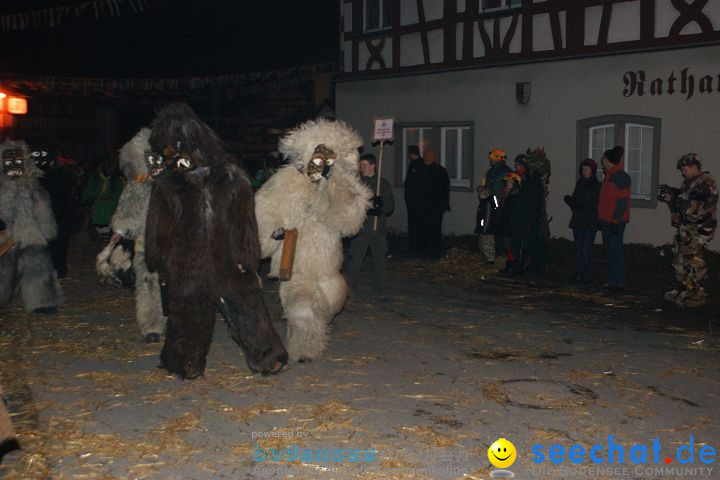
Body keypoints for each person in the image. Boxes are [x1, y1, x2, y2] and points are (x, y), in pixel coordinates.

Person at [660, 153, 717, 307]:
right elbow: (685, 198)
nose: (682, 172)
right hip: (687, 227)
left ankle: (698, 294)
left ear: (694, 167)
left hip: (699, 229)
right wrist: (672, 194)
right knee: (680, 258)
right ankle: (685, 289)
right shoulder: (691, 182)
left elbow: (694, 208)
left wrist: (673, 200)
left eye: (685, 169)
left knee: (693, 260)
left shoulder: (704, 184)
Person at [346, 153, 395, 299]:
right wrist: (367, 205)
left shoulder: (383, 184)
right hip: (361, 228)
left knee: (379, 261)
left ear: (373, 165)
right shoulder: (357, 184)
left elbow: (390, 206)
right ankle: (349, 288)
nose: (361, 168)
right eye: (360, 166)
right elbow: (350, 203)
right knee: (355, 260)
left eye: (364, 165)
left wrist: (381, 207)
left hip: (378, 229)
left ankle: (379, 290)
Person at [597, 146, 631, 292]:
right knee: (609, 251)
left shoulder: (620, 177)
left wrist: (616, 220)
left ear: (609, 160)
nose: (602, 160)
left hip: (614, 221)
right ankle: (612, 280)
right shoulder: (609, 176)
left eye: (604, 158)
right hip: (606, 220)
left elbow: (622, 201)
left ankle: (618, 282)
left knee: (615, 251)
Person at [564, 159, 601, 284]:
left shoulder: (595, 185)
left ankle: (588, 275)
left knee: (587, 249)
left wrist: (576, 203)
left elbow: (591, 203)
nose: (585, 171)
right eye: (583, 169)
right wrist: (572, 202)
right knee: (579, 249)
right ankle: (580, 274)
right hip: (578, 220)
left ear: (592, 171)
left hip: (589, 221)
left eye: (587, 169)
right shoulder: (580, 183)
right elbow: (577, 201)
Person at [409, 148, 450, 258]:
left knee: (434, 230)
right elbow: (413, 187)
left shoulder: (439, 171)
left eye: (429, 156)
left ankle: (433, 252)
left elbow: (444, 190)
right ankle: (423, 250)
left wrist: (441, 205)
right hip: (422, 206)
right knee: (422, 229)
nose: (426, 158)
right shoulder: (419, 169)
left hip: (434, 208)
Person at [476, 148, 512, 264]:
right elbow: (488, 186)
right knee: (488, 229)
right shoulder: (491, 172)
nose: (489, 160)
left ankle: (500, 255)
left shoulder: (505, 172)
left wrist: (494, 200)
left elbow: (503, 190)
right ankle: (490, 255)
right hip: (489, 204)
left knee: (495, 230)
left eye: (491, 158)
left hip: (498, 205)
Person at [83, 153, 125, 242]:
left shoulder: (119, 181)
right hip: (97, 216)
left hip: (111, 218)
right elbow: (87, 194)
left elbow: (122, 199)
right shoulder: (95, 179)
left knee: (108, 242)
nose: (109, 167)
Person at [497, 172, 527, 275]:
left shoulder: (517, 197)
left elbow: (517, 215)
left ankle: (515, 267)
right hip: (507, 226)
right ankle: (509, 265)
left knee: (513, 248)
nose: (507, 185)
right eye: (507, 183)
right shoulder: (509, 195)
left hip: (513, 227)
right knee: (508, 247)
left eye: (509, 183)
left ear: (515, 184)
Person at [404, 145, 424, 255]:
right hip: (415, 201)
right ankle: (416, 246)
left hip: (415, 201)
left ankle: (416, 247)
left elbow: (413, 184)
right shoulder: (416, 165)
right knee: (415, 224)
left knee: (415, 225)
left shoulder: (416, 166)